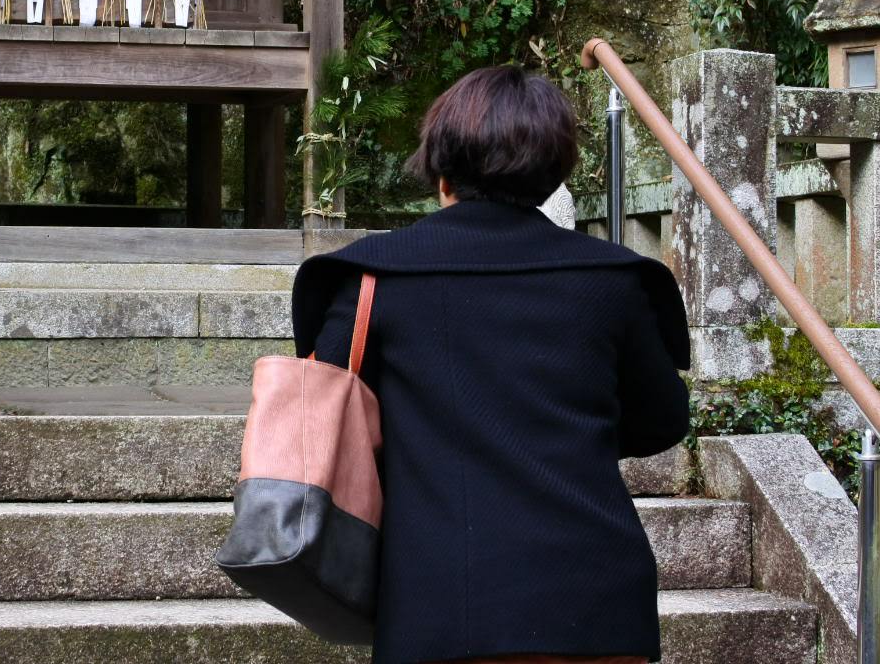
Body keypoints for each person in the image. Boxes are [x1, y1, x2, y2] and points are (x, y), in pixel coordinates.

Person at [292, 65, 691, 664]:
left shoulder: (370, 278)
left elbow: (322, 427)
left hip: (440, 601)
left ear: (441, 167)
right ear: (552, 171)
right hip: (596, 599)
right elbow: (661, 421)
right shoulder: (616, 280)